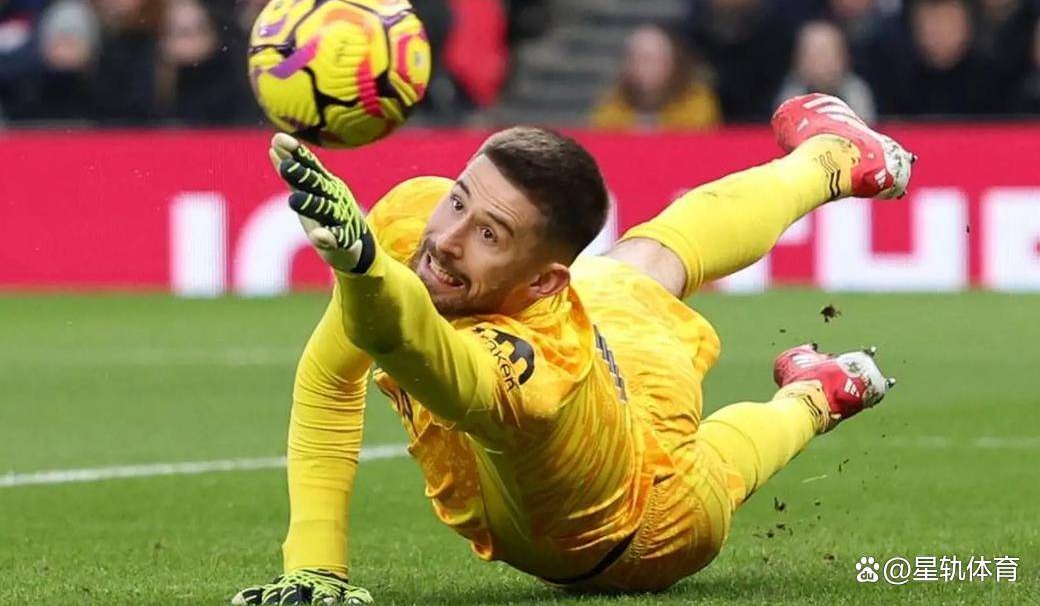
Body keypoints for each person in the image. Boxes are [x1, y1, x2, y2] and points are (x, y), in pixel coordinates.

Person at [232, 93, 913, 605]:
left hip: (647, 526)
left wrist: (365, 271)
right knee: (647, 260)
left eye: (490, 235)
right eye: (460, 202)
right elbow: (332, 375)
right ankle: (837, 158)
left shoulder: (532, 371)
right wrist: (315, 565)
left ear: (543, 282)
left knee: (716, 471)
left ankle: (819, 394)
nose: (447, 241)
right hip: (603, 357)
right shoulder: (416, 222)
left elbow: (422, 351)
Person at [591, 24, 721, 131]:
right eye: (633, 59)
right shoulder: (613, 102)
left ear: (671, 63)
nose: (640, 66)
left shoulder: (696, 101)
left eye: (649, 59)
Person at [776, 21, 876, 123]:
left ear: (844, 58)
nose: (821, 61)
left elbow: (865, 126)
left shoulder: (857, 93)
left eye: (826, 53)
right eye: (814, 54)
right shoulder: (789, 96)